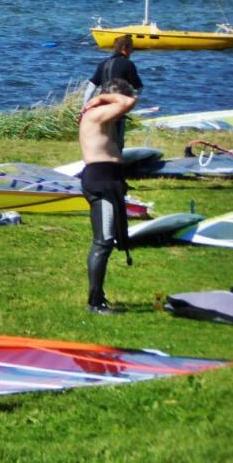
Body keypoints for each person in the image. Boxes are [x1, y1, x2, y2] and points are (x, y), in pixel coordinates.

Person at [77, 78, 138, 315]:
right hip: (100, 182)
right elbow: (130, 101)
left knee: (106, 240)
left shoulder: (103, 116)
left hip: (109, 180)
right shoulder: (97, 112)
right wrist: (103, 97)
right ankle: (94, 303)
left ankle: (98, 297)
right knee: (103, 241)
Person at [84, 35, 143, 149]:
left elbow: (91, 87)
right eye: (131, 48)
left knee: (103, 138)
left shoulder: (103, 63)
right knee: (117, 143)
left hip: (102, 107)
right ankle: (115, 162)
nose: (133, 51)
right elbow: (138, 87)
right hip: (117, 108)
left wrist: (85, 107)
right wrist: (131, 102)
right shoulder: (128, 64)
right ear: (125, 48)